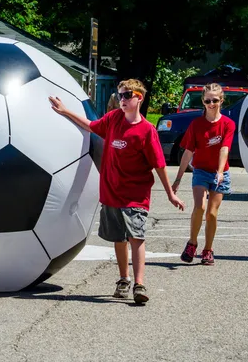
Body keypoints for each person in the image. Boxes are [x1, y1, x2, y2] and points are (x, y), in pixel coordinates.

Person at [49, 79, 185, 304]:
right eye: (120, 95)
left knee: (136, 237)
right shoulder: (113, 120)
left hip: (135, 196)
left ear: (139, 98)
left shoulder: (147, 131)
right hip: (111, 193)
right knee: (119, 239)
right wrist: (65, 111)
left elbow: (159, 165)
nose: (122, 99)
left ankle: (139, 284)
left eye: (127, 95)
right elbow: (91, 126)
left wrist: (171, 193)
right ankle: (124, 280)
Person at [173, 83, 235, 265]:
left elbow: (224, 148)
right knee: (199, 207)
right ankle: (192, 243)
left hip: (220, 173)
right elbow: (187, 153)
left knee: (212, 214)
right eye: (207, 100)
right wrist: (177, 179)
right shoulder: (196, 124)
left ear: (221, 101)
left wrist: (220, 171)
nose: (211, 103)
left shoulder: (227, 124)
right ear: (203, 101)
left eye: (215, 100)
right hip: (200, 171)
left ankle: (208, 249)